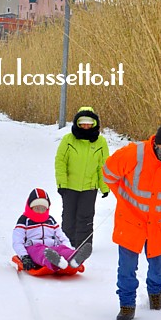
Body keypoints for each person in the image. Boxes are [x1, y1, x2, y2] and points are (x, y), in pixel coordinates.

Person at [103, 123, 161, 320]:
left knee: (159, 266)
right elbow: (108, 173)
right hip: (131, 220)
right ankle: (126, 304)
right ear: (156, 143)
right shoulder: (133, 154)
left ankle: (156, 293)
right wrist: (123, 198)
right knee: (127, 267)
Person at [55, 106, 110, 249]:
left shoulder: (100, 142)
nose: (86, 126)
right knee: (68, 218)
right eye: (83, 123)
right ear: (77, 123)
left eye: (89, 123)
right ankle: (67, 245)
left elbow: (103, 166)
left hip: (89, 188)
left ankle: (84, 246)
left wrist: (104, 187)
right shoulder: (68, 139)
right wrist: (62, 184)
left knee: (85, 218)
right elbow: (60, 162)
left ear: (94, 124)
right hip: (69, 186)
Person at [12, 188, 92, 273]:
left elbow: (62, 237)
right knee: (41, 252)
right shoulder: (24, 220)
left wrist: (67, 248)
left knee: (61, 249)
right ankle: (55, 262)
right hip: (33, 248)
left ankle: (74, 258)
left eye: (43, 208)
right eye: (37, 208)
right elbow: (17, 241)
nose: (40, 211)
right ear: (30, 207)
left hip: (52, 248)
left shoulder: (50, 220)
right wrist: (24, 256)